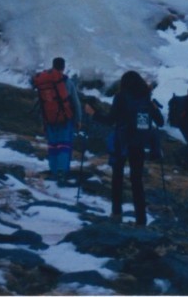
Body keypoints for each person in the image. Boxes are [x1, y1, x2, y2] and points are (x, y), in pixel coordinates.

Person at [85, 70, 164, 226]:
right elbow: (160, 122)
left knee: (117, 178)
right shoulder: (145, 99)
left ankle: (116, 214)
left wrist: (93, 114)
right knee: (137, 181)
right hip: (139, 144)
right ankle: (141, 220)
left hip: (122, 142)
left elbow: (110, 120)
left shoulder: (120, 97)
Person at [32, 57, 82, 185]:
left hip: (49, 119)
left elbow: (41, 103)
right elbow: (76, 102)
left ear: (53, 66)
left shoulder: (44, 82)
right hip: (65, 119)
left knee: (53, 145)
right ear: (63, 67)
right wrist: (78, 119)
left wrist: (42, 122)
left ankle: (54, 171)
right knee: (64, 145)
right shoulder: (66, 82)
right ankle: (62, 172)